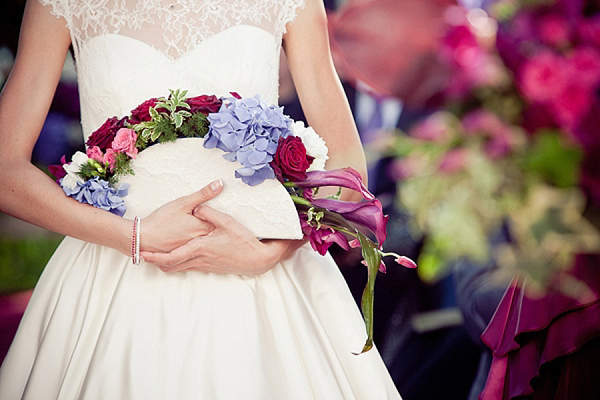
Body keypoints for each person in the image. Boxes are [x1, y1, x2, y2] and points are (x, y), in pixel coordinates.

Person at [0, 0, 403, 398]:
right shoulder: (58, 4)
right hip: (113, 267)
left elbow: (348, 163)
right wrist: (133, 236)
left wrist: (275, 249)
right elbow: (5, 170)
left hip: (262, 272)